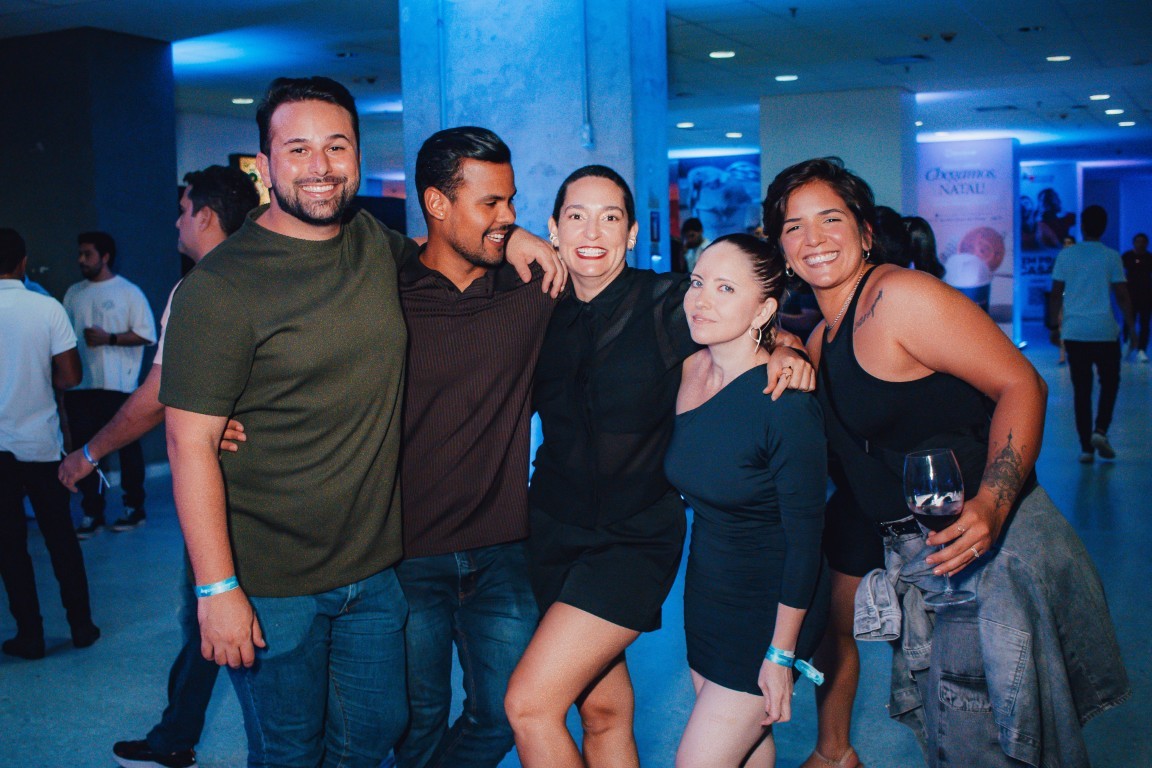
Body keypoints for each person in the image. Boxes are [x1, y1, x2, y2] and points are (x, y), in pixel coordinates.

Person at [160, 77, 559, 768]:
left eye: (337, 146)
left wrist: (509, 229)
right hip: (274, 577)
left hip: (374, 569)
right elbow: (187, 442)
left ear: (357, 155)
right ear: (264, 165)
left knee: (375, 732)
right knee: (290, 750)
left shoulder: (373, 243)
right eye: (298, 148)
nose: (320, 165)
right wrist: (217, 589)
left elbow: (443, 245)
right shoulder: (219, 286)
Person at [763, 157, 1128, 768]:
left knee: (990, 741)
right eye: (793, 226)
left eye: (830, 219)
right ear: (781, 247)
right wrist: (780, 343)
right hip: (924, 560)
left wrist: (993, 503)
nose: (813, 238)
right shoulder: (826, 336)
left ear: (865, 232)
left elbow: (1023, 384)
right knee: (958, 737)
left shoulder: (901, 298)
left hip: (988, 549)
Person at [504, 165, 812, 768]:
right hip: (552, 530)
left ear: (632, 233)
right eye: (576, 217)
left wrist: (787, 349)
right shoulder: (533, 301)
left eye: (610, 218)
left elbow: (745, 318)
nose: (593, 232)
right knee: (602, 710)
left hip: (632, 540)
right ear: (553, 229)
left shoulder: (669, 302)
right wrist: (511, 236)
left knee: (529, 705)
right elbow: (432, 249)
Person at [56, 166, 259, 768]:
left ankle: (182, 739)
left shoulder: (200, 289)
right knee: (215, 619)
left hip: (231, 490)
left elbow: (156, 395)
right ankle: (176, 735)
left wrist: (88, 453)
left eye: (182, 209)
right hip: (264, 485)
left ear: (205, 216)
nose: (175, 222)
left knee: (215, 617)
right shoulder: (267, 275)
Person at [393, 127, 557, 768]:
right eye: (490, 202)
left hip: (502, 550)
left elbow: (647, 311)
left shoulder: (533, 289)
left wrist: (779, 343)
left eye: (511, 200)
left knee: (503, 716)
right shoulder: (385, 293)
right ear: (437, 204)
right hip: (405, 554)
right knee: (417, 723)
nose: (509, 215)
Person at [665, 234, 829, 768]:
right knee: (750, 750)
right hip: (708, 595)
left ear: (763, 310)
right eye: (697, 282)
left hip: (771, 608)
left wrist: (781, 653)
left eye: (725, 288)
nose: (701, 299)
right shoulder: (690, 369)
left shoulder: (785, 402)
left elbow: (806, 543)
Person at [0, 227, 99, 660]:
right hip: (40, 441)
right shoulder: (46, 307)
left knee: (9, 546)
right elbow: (71, 377)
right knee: (60, 537)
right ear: (23, 263)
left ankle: (30, 635)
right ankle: (81, 626)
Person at [63, 230, 157, 537]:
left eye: (87, 254)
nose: (81, 259)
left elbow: (147, 334)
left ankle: (133, 508)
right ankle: (92, 512)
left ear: (105, 257)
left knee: (127, 449)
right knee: (86, 449)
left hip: (119, 386)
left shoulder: (129, 292)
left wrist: (110, 338)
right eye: (80, 254)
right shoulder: (73, 293)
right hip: (82, 387)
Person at [1050, 206, 1133, 463]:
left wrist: (1054, 326)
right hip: (1105, 331)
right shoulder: (1111, 256)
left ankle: (1086, 448)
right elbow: (1122, 295)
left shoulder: (1067, 255)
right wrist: (1132, 326)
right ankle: (1100, 430)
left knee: (1081, 390)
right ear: (1104, 227)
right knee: (1110, 383)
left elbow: (1056, 293)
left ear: (1082, 226)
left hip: (1075, 332)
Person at [1121, 232, 1151, 362]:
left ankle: (1141, 349)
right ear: (1134, 243)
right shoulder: (1127, 256)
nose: (1140, 244)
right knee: (1128, 321)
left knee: (1145, 323)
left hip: (1146, 295)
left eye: (1143, 242)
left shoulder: (1149, 257)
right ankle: (1127, 343)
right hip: (1130, 295)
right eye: (1138, 241)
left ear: (1146, 243)